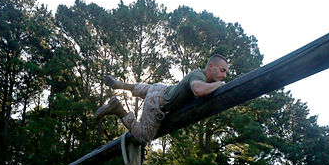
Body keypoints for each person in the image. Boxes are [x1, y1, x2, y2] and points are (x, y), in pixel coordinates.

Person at [94, 55, 229, 144]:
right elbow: (198, 90)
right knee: (143, 137)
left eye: (226, 72)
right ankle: (118, 110)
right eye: (222, 70)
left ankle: (120, 85)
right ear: (210, 66)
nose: (224, 75)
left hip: (159, 89)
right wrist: (219, 85)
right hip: (157, 103)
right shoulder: (199, 76)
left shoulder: (198, 74)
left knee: (147, 89)